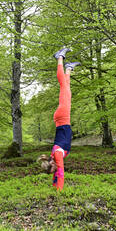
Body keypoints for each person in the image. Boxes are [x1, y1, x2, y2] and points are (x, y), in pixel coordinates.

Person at [38, 47, 80, 190]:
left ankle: (60, 58)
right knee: (67, 90)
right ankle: (68, 69)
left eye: (53, 168)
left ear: (52, 163)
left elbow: (60, 172)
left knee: (64, 87)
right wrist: (54, 182)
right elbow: (57, 173)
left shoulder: (56, 155)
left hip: (62, 117)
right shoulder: (55, 157)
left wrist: (59, 191)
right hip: (63, 118)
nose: (56, 169)